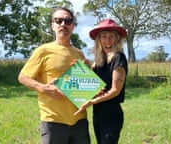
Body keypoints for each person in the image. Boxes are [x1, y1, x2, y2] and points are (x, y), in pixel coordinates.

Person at [18, 7, 90, 144]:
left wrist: (87, 69)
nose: (63, 24)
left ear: (73, 26)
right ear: (53, 25)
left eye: (68, 21)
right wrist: (43, 88)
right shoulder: (43, 51)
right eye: (58, 20)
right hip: (53, 121)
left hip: (79, 120)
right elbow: (22, 77)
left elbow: (83, 86)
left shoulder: (79, 53)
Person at [75, 19, 128, 144]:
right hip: (97, 113)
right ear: (99, 39)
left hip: (111, 114)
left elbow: (115, 90)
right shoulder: (99, 60)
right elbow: (91, 81)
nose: (107, 41)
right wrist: (82, 68)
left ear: (117, 39)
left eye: (111, 37)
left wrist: (92, 101)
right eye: (104, 37)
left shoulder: (118, 58)